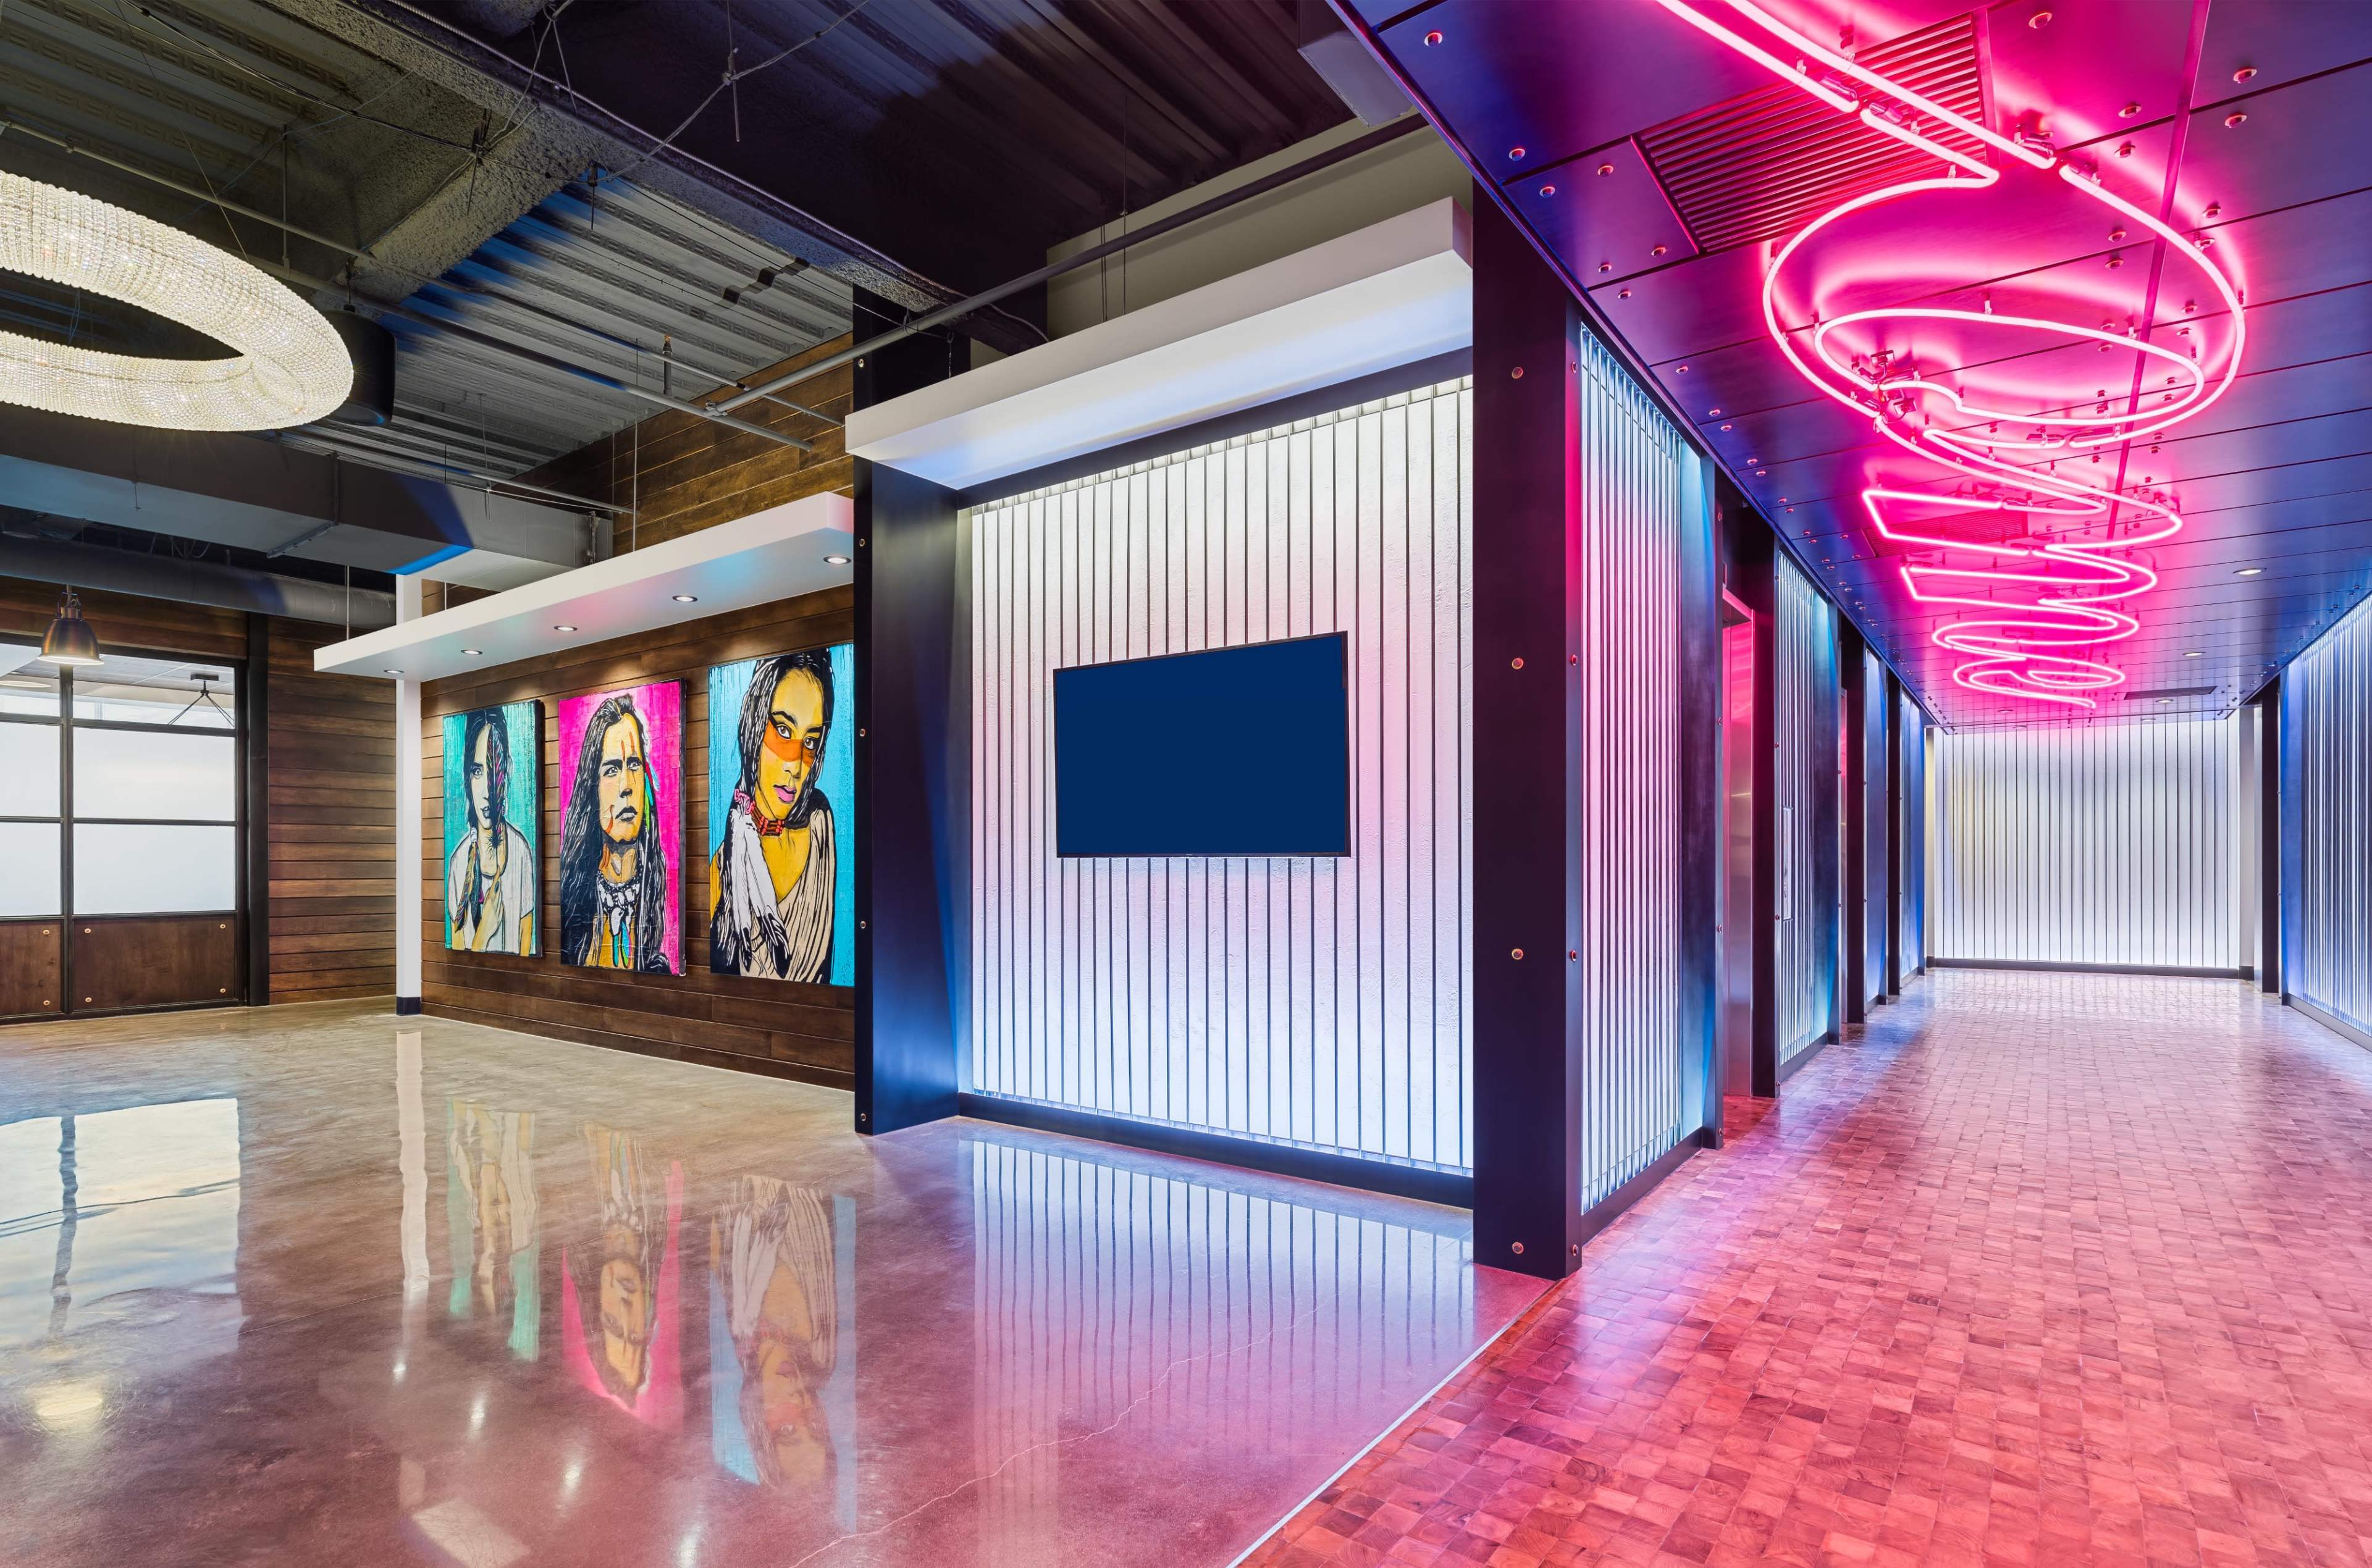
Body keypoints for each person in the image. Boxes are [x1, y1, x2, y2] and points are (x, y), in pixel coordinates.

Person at [710, 652, 838, 982]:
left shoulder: (820, 824)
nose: (795, 766)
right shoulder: (722, 870)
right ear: (754, 726)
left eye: (810, 741)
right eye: (783, 730)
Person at [715, 1176, 836, 1489]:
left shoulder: (740, 1319)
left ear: (757, 1426)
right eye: (816, 1428)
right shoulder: (822, 1352)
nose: (802, 1406)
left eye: (786, 1431)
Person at [560, 692, 671, 971]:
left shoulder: (654, 885)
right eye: (611, 769)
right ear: (592, 788)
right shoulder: (575, 899)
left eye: (633, 765)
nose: (626, 785)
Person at [447, 709, 536, 954]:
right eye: (477, 772)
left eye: (492, 771)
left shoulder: (520, 854)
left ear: (505, 774)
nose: (486, 791)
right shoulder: (458, 865)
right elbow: (459, 963)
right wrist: (484, 932)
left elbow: (526, 949)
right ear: (468, 777)